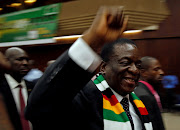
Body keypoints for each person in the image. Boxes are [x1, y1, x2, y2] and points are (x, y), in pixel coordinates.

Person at [25, 6, 152, 130]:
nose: (134, 70)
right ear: (104, 67)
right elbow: (38, 109)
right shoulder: (84, 98)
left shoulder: (143, 100)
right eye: (125, 62)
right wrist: (91, 42)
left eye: (138, 65)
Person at [0, 47, 35, 130]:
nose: (25, 63)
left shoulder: (34, 87)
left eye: (27, 59)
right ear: (7, 61)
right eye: (20, 59)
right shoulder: (1, 87)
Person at [134, 56, 165, 130]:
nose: (161, 73)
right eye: (156, 69)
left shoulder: (146, 90)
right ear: (143, 72)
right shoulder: (144, 96)